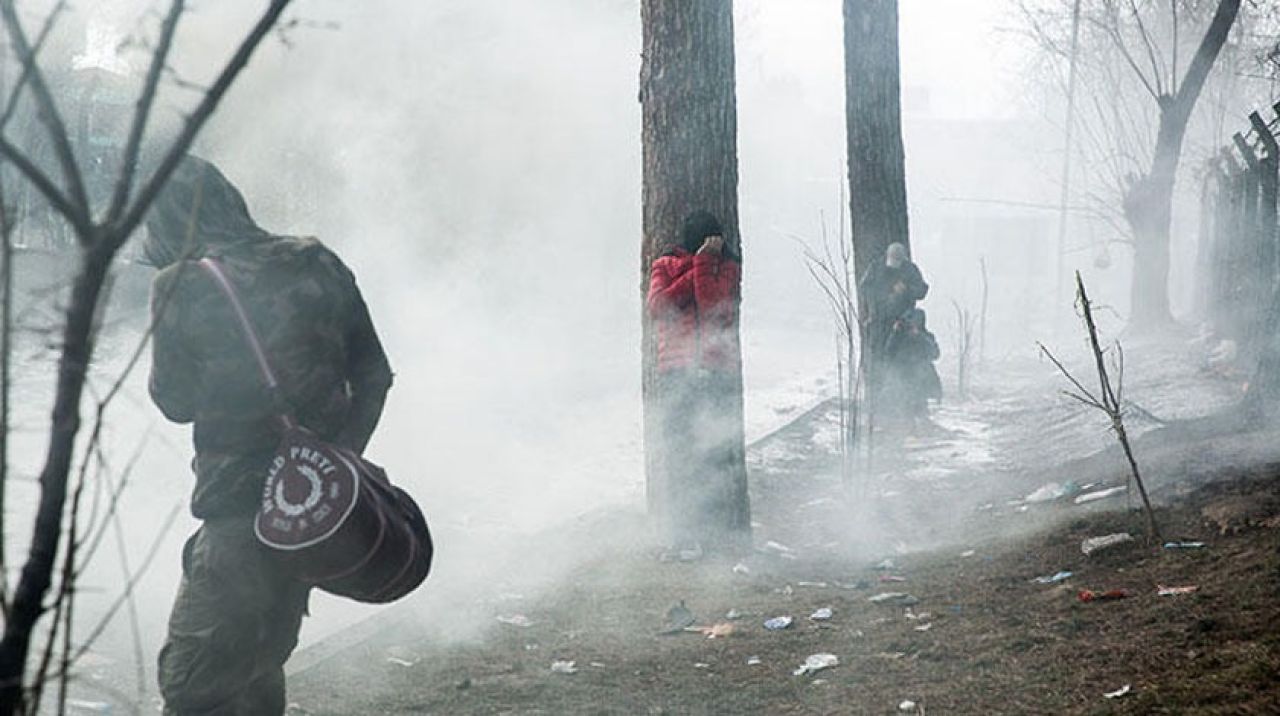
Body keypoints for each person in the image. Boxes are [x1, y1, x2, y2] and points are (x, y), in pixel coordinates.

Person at [145, 156, 393, 715]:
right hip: (313, 522)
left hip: (238, 512)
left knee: (190, 685)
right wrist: (334, 464)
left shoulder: (182, 283)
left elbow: (174, 402)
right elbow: (375, 374)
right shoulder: (317, 261)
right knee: (258, 669)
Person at [646, 210, 741, 555]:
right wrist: (697, 266)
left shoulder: (727, 267)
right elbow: (658, 306)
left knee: (712, 455)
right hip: (677, 370)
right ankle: (682, 534)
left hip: (713, 370)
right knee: (680, 456)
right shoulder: (666, 263)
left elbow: (715, 307)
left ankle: (711, 536)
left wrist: (706, 265)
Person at [882, 307, 942, 428]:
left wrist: (919, 336)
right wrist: (895, 333)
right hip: (903, 377)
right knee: (905, 411)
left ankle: (924, 432)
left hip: (922, 378)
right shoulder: (899, 336)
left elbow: (935, 354)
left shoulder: (927, 336)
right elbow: (888, 352)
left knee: (922, 411)